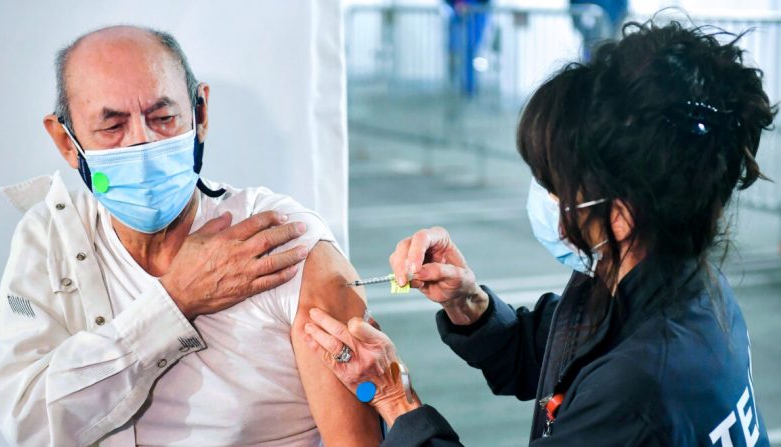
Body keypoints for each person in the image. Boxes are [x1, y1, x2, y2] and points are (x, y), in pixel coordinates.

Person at [303, 20, 776, 446]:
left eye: (555, 185)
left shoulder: (640, 389)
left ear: (621, 215)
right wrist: (471, 306)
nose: (545, 197)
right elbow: (558, 356)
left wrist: (391, 396)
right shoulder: (667, 282)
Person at [0, 26, 382, 446]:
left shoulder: (282, 243)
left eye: (162, 118)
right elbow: (26, 420)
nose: (141, 142)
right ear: (67, 143)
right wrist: (174, 301)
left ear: (201, 114)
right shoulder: (51, 240)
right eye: (112, 126)